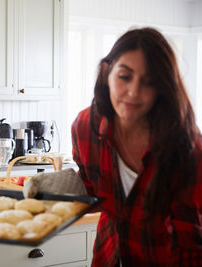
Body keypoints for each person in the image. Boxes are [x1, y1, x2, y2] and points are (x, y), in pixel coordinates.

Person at [24, 27, 202, 265]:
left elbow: (191, 239)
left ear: (163, 89)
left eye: (148, 83)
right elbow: (94, 185)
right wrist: (59, 191)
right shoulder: (86, 126)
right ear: (107, 72)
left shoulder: (186, 147)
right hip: (110, 255)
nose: (133, 92)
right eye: (124, 76)